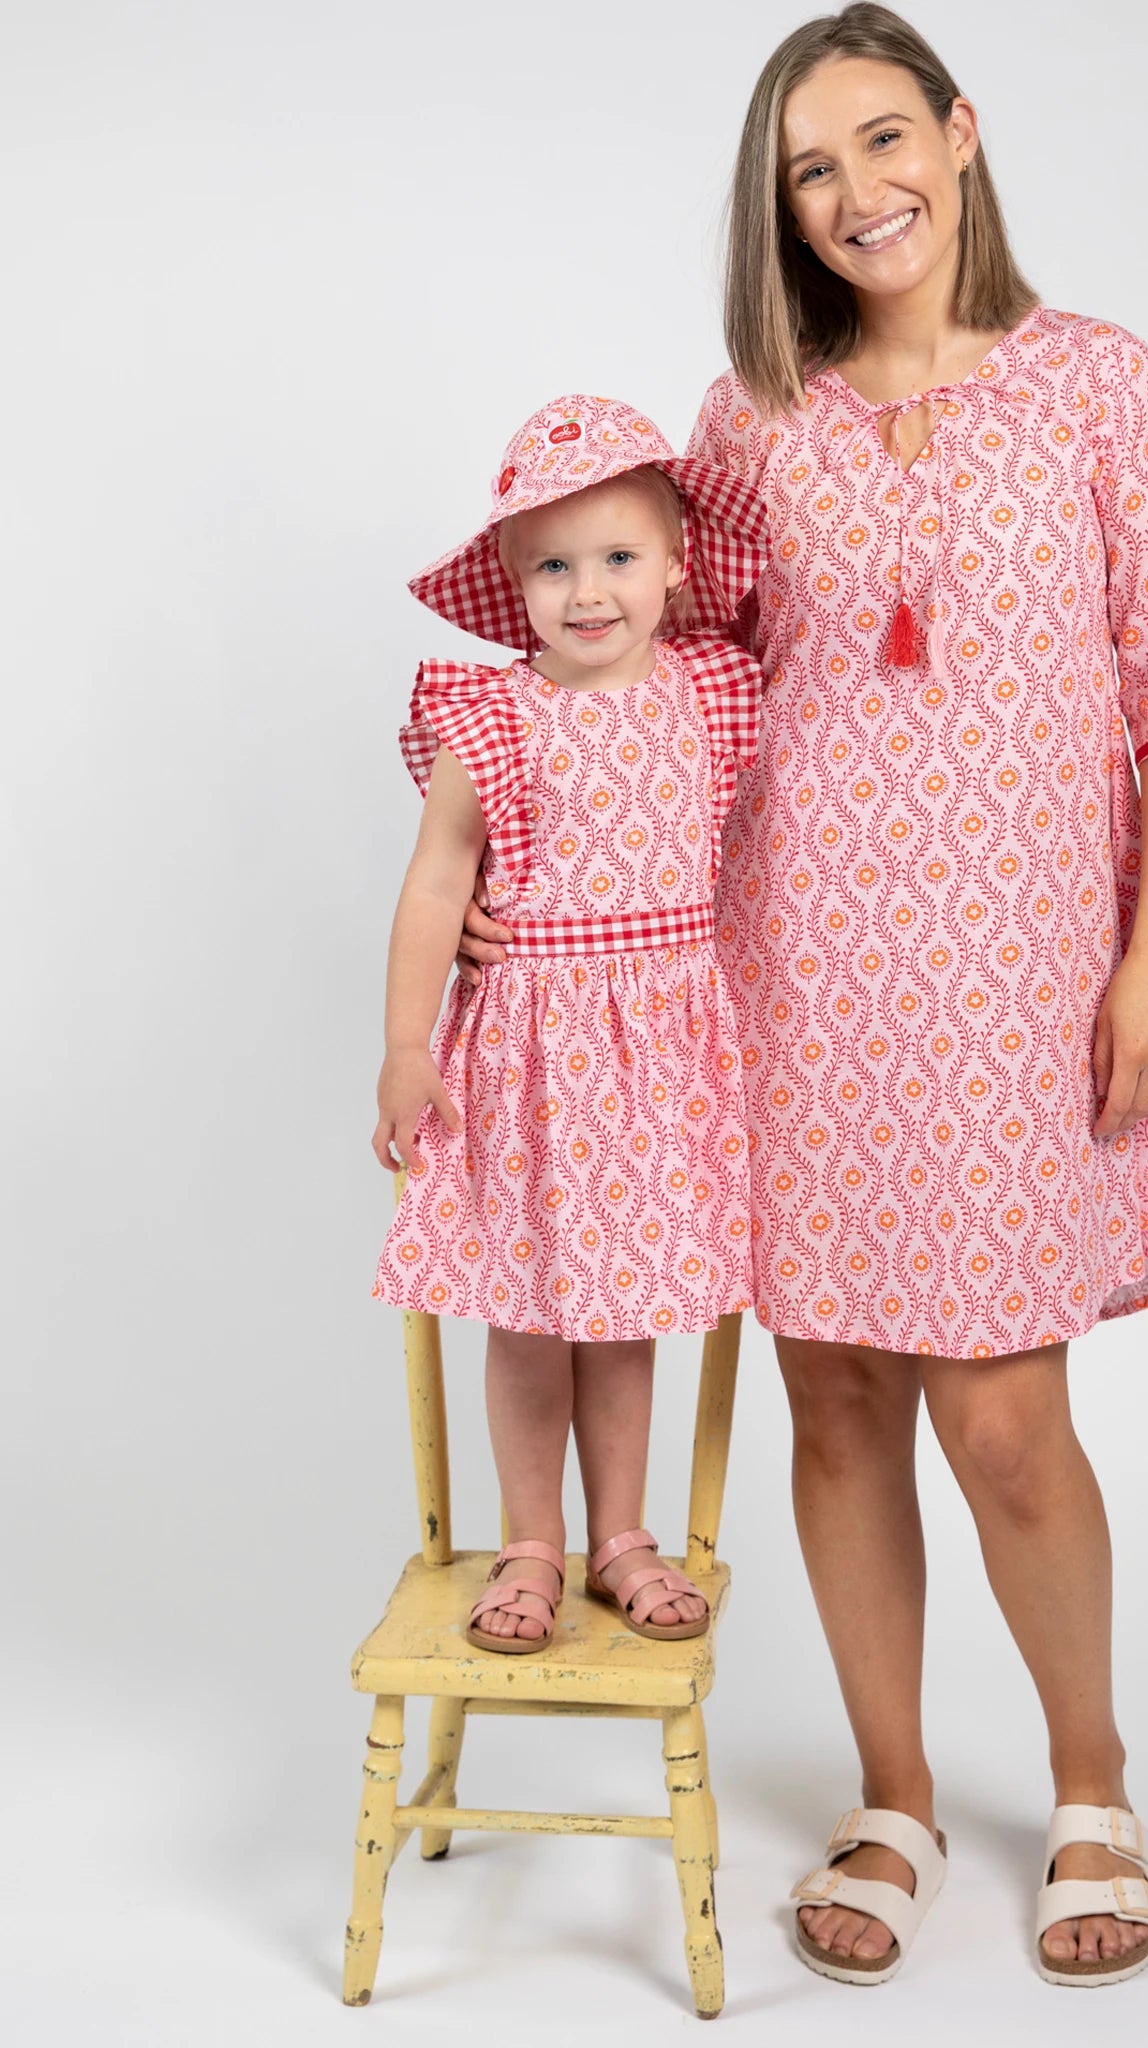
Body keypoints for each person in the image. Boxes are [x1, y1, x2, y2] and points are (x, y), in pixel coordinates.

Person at [455, 2, 1148, 1989]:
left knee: (1005, 1414)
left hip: (1023, 975)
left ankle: (1091, 1778)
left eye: (877, 140)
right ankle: (896, 1790)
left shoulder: (1102, 383)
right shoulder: (750, 417)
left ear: (962, 129)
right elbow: (651, 685)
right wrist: (517, 884)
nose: (854, 195)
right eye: (806, 171)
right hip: (790, 971)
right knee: (835, 1397)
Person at [374, 394, 770, 1655]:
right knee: (529, 1311)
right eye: (552, 564)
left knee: (626, 1314)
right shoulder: (491, 717)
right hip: (531, 1056)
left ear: (674, 565)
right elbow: (440, 877)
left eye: (618, 557)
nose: (586, 591)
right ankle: (531, 1537)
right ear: (511, 579)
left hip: (660, 1059)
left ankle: (622, 1533)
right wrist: (403, 1042)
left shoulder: (711, 688)